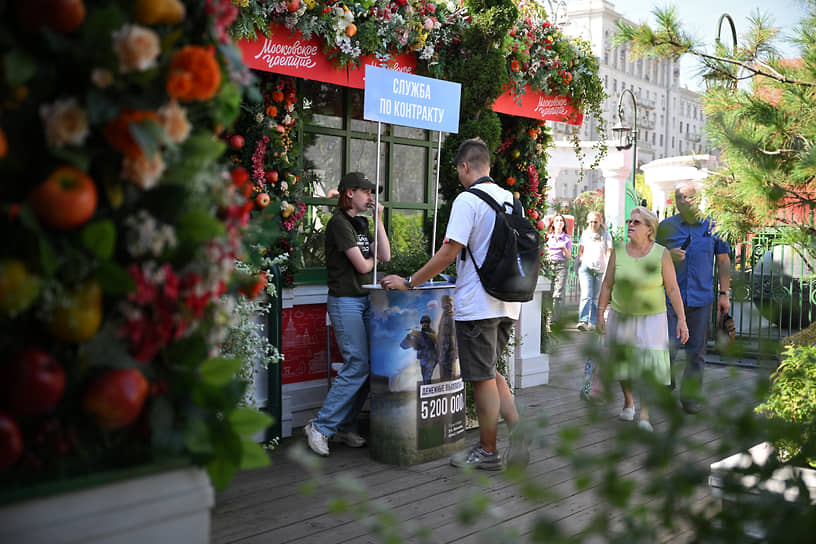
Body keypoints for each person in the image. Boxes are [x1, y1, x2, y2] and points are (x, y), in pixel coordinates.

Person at [379, 138, 528, 470]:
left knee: (481, 378)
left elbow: (449, 252)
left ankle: (487, 452)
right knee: (489, 373)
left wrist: (408, 282)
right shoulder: (509, 200)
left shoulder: (468, 199)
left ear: (465, 167)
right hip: (508, 303)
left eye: (458, 171)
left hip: (478, 305)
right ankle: (519, 431)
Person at [304, 172, 391, 457]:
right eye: (366, 192)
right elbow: (364, 267)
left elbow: (385, 256)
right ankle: (320, 426)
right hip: (346, 301)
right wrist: (373, 258)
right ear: (350, 193)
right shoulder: (339, 224)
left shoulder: (361, 223)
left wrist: (378, 220)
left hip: (364, 300)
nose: (370, 197)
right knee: (357, 364)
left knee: (369, 367)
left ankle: (344, 427)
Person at [597, 207, 689, 432]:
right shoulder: (618, 250)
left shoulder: (661, 253)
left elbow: (673, 289)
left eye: (637, 222)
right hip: (621, 315)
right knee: (622, 363)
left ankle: (645, 416)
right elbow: (608, 283)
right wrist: (600, 312)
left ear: (650, 229)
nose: (630, 224)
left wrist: (681, 320)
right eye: (630, 220)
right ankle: (629, 402)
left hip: (652, 319)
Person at [656, 181, 731, 414]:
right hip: (669, 300)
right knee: (666, 348)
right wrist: (668, 255)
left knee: (696, 352)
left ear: (698, 199)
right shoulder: (666, 227)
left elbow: (723, 262)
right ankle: (667, 381)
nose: (684, 201)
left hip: (701, 300)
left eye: (689, 197)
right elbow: (650, 258)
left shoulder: (713, 226)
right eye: (679, 197)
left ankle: (690, 398)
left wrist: (724, 294)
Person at [576, 211, 613, 331]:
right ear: (587, 222)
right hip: (586, 269)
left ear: (600, 222)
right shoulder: (585, 234)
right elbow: (581, 250)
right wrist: (582, 258)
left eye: (595, 222)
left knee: (596, 297)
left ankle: (593, 321)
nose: (593, 224)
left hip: (600, 269)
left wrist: (608, 265)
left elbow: (609, 251)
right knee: (586, 295)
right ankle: (583, 321)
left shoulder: (606, 235)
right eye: (591, 221)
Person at [546, 214, 572, 322]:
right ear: (553, 223)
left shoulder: (567, 238)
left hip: (561, 265)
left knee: (558, 294)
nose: (559, 222)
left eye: (561, 220)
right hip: (549, 265)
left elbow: (569, 256)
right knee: (548, 292)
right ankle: (547, 318)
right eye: (557, 220)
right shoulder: (548, 237)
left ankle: (555, 320)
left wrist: (564, 248)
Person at [400, 315, 438, 384]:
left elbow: (434, 339)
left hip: (431, 358)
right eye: (423, 322)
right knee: (424, 376)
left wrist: (418, 333)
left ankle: (427, 388)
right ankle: (426, 388)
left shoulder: (432, 333)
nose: (424, 324)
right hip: (423, 358)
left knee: (427, 376)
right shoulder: (420, 334)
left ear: (428, 323)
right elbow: (417, 346)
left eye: (426, 322)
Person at [436, 294, 457, 380]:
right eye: (444, 304)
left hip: (449, 351)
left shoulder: (452, 317)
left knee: (450, 375)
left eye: (448, 304)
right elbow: (440, 332)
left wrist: (454, 351)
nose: (446, 306)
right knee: (443, 375)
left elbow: (454, 335)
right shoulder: (443, 316)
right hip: (442, 350)